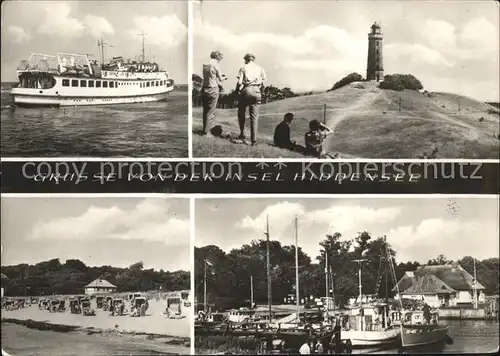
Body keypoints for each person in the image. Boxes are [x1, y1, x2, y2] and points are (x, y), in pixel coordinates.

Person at [235, 53, 266, 145]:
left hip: (246, 90)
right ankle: (253, 140)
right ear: (253, 59)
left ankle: (242, 134)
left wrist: (237, 90)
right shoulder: (260, 68)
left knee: (241, 112)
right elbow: (263, 83)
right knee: (254, 117)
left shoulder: (243, 67)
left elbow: (240, 82)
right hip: (256, 90)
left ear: (246, 59)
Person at [201, 50, 227, 136]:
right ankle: (207, 132)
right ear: (217, 57)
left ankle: (204, 129)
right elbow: (220, 79)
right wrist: (224, 77)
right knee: (211, 112)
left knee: (205, 111)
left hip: (204, 88)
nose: (220, 60)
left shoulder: (205, 64)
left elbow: (210, 75)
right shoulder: (216, 64)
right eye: (220, 58)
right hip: (213, 88)